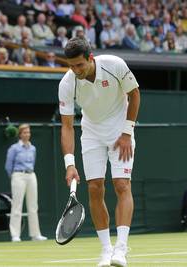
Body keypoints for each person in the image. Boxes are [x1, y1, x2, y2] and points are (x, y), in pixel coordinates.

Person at [58, 37, 140, 267]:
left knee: (122, 184)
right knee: (95, 188)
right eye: (71, 66)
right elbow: (67, 126)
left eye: (79, 65)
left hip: (120, 131)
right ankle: (106, 250)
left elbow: (134, 94)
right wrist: (69, 164)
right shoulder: (67, 83)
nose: (75, 70)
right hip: (91, 132)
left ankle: (121, 249)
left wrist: (126, 132)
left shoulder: (115, 65)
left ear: (90, 58)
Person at [5, 124, 47, 242]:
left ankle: (35, 234)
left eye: (28, 132)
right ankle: (15, 235)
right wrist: (14, 176)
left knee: (33, 206)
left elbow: (33, 162)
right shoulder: (14, 148)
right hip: (18, 175)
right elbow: (8, 166)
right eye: (24, 132)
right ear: (20, 134)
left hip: (31, 175)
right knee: (17, 205)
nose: (27, 134)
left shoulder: (33, 148)